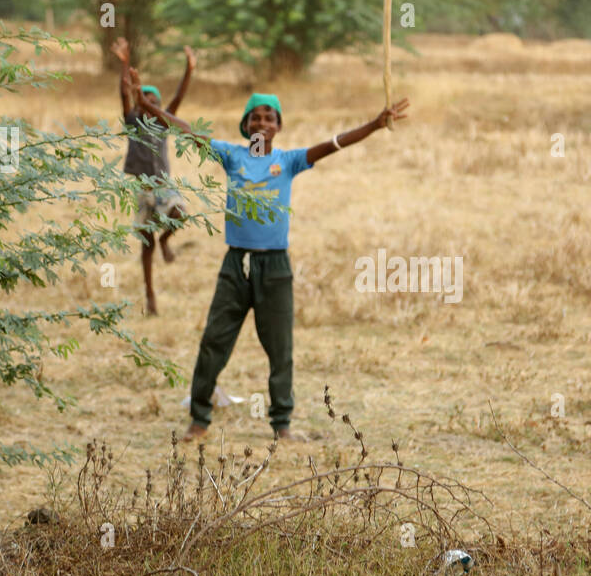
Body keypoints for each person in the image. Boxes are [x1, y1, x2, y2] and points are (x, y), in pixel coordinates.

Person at [131, 76, 409, 440]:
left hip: (275, 267)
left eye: (270, 117)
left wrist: (374, 124)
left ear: (278, 127)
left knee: (280, 348)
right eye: (255, 118)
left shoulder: (289, 161)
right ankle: (199, 419)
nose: (262, 123)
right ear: (246, 126)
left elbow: (334, 144)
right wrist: (148, 105)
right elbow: (185, 131)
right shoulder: (232, 156)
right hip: (236, 265)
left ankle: (282, 425)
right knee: (214, 340)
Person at [110, 37, 193, 315]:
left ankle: (166, 240)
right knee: (145, 246)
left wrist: (189, 70)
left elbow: (178, 97)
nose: (149, 105)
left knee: (180, 212)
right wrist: (124, 63)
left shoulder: (163, 122)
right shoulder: (133, 122)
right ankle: (150, 295)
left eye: (154, 101)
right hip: (144, 190)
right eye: (143, 99)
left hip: (164, 186)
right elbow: (125, 93)